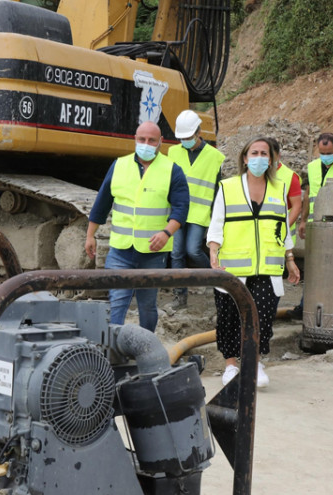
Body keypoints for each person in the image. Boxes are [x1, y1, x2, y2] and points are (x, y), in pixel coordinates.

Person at [208, 137, 300, 387]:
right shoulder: (228, 187)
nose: (259, 157)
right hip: (232, 266)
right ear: (245, 158)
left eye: (264, 153)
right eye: (254, 153)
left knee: (261, 316)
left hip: (268, 268)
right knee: (229, 315)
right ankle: (230, 366)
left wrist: (290, 258)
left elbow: (283, 228)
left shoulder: (279, 189)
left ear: (271, 159)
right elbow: (217, 222)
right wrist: (213, 252)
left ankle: (255, 363)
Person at [85, 121, 189, 332]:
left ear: (161, 142)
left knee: (147, 306)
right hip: (120, 250)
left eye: (151, 140)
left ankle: (145, 347)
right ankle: (114, 352)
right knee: (117, 303)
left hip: (152, 252)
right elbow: (101, 203)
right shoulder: (119, 165)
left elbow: (181, 208)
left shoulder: (172, 170)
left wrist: (167, 233)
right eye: (141, 139)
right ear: (135, 139)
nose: (146, 144)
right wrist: (90, 235)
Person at [290, 133, 333, 319]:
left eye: (329, 152)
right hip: (314, 226)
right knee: (312, 269)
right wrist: (303, 221)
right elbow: (309, 196)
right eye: (321, 152)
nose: (325, 155)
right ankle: (306, 305)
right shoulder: (312, 167)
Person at [166, 110, 225, 309]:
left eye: (188, 137)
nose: (185, 141)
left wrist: (218, 218)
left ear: (199, 132)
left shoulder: (215, 157)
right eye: (182, 138)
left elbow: (218, 190)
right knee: (176, 254)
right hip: (177, 211)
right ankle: (179, 297)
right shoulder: (173, 152)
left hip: (200, 213)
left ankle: (216, 276)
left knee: (193, 250)